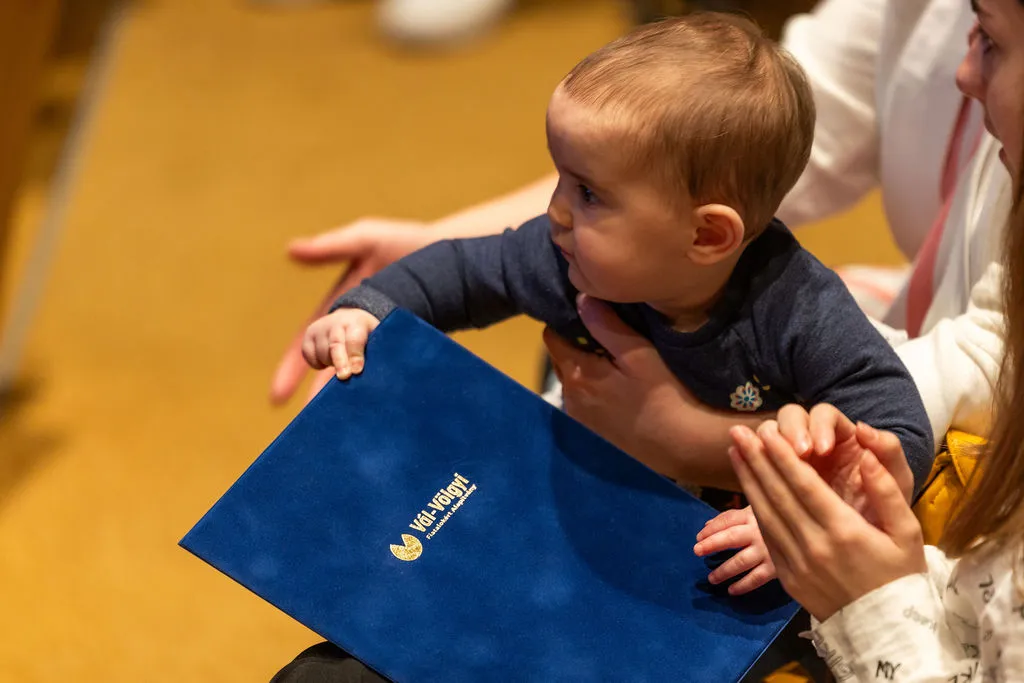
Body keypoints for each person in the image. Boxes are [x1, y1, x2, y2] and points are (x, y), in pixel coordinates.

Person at [270, 0, 1008, 480]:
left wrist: (799, 490)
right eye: (563, 179)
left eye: (587, 194)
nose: (557, 213)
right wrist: (367, 308)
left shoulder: (799, 309)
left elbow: (896, 423)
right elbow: (461, 270)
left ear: (708, 234)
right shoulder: (564, 253)